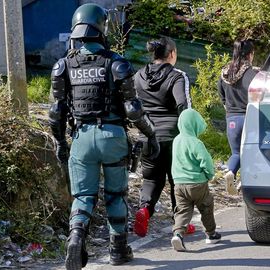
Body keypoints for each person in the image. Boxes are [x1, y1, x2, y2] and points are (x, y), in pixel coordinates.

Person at [48, 4, 160, 268]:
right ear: (101, 27)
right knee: (115, 195)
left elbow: (56, 112)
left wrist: (60, 142)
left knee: (83, 197)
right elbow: (133, 109)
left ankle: (76, 237)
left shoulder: (63, 65)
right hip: (113, 136)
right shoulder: (116, 63)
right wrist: (150, 134)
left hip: (82, 138)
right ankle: (118, 251)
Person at [133, 36, 192, 237]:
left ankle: (144, 210)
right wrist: (191, 135)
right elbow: (184, 107)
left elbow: (133, 106)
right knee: (178, 181)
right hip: (174, 138)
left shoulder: (138, 75)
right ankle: (181, 224)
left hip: (147, 136)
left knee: (151, 179)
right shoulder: (177, 76)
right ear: (172, 54)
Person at [170, 108, 221, 251]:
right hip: (197, 183)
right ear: (194, 124)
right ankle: (211, 234)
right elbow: (206, 161)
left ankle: (178, 235)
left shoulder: (176, 141)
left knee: (182, 211)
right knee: (206, 207)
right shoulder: (195, 142)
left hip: (179, 184)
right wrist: (209, 175)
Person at [218, 39, 257, 195]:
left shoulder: (224, 73)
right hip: (250, 118)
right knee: (252, 152)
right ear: (250, 54)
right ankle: (245, 182)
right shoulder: (252, 75)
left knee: (236, 153)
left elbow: (222, 97)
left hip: (232, 119)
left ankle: (231, 172)